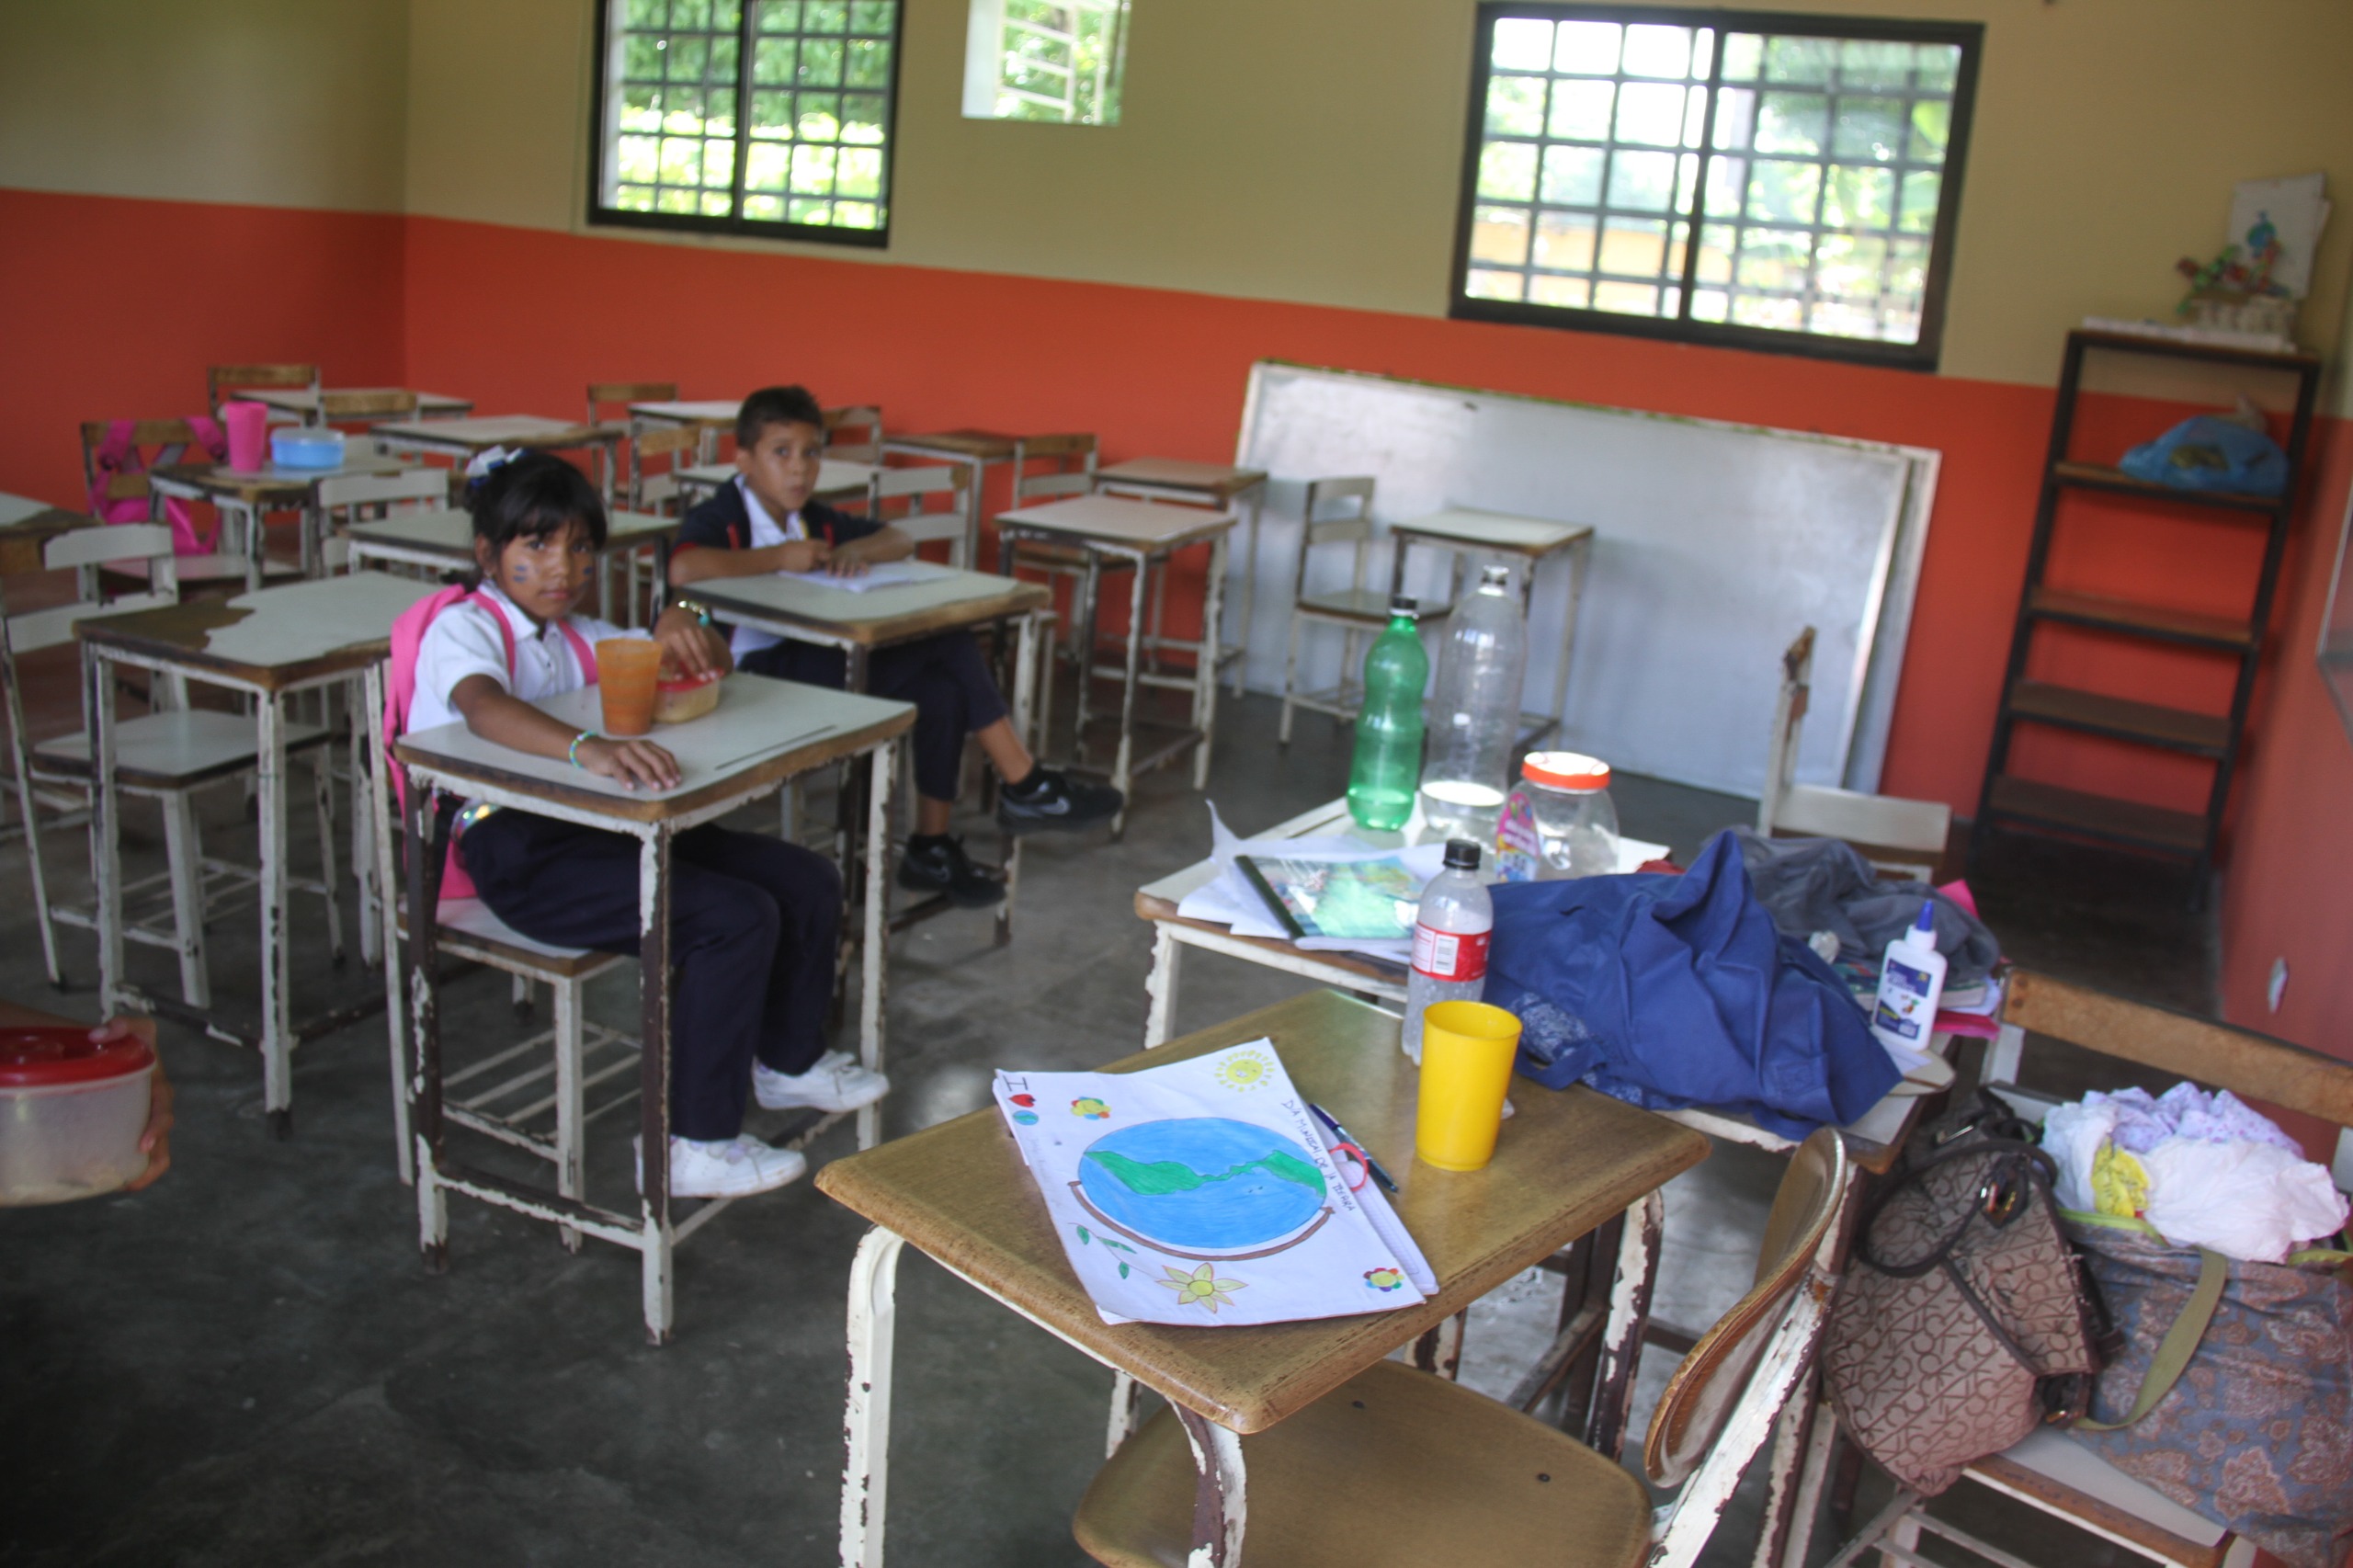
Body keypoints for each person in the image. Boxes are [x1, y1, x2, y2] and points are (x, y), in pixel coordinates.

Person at [405, 450, 883, 1199]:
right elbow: (482, 706)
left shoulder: (579, 636)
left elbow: (703, 661)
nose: (563, 566)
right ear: (487, 556)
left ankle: (787, 1064)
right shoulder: (466, 629)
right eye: (537, 546)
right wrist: (584, 746)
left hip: (600, 826)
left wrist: (685, 620)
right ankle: (689, 1142)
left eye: (581, 547)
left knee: (806, 879)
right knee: (731, 918)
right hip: (516, 847)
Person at [668, 385, 1121, 908]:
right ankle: (1025, 783)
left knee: (942, 688)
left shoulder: (812, 517)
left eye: (811, 453)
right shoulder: (724, 514)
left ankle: (931, 846)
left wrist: (849, 550)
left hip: (819, 658)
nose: (799, 469)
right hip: (758, 673)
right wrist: (780, 557)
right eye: (782, 453)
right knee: (946, 640)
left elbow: (897, 539)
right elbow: (685, 567)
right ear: (743, 459)